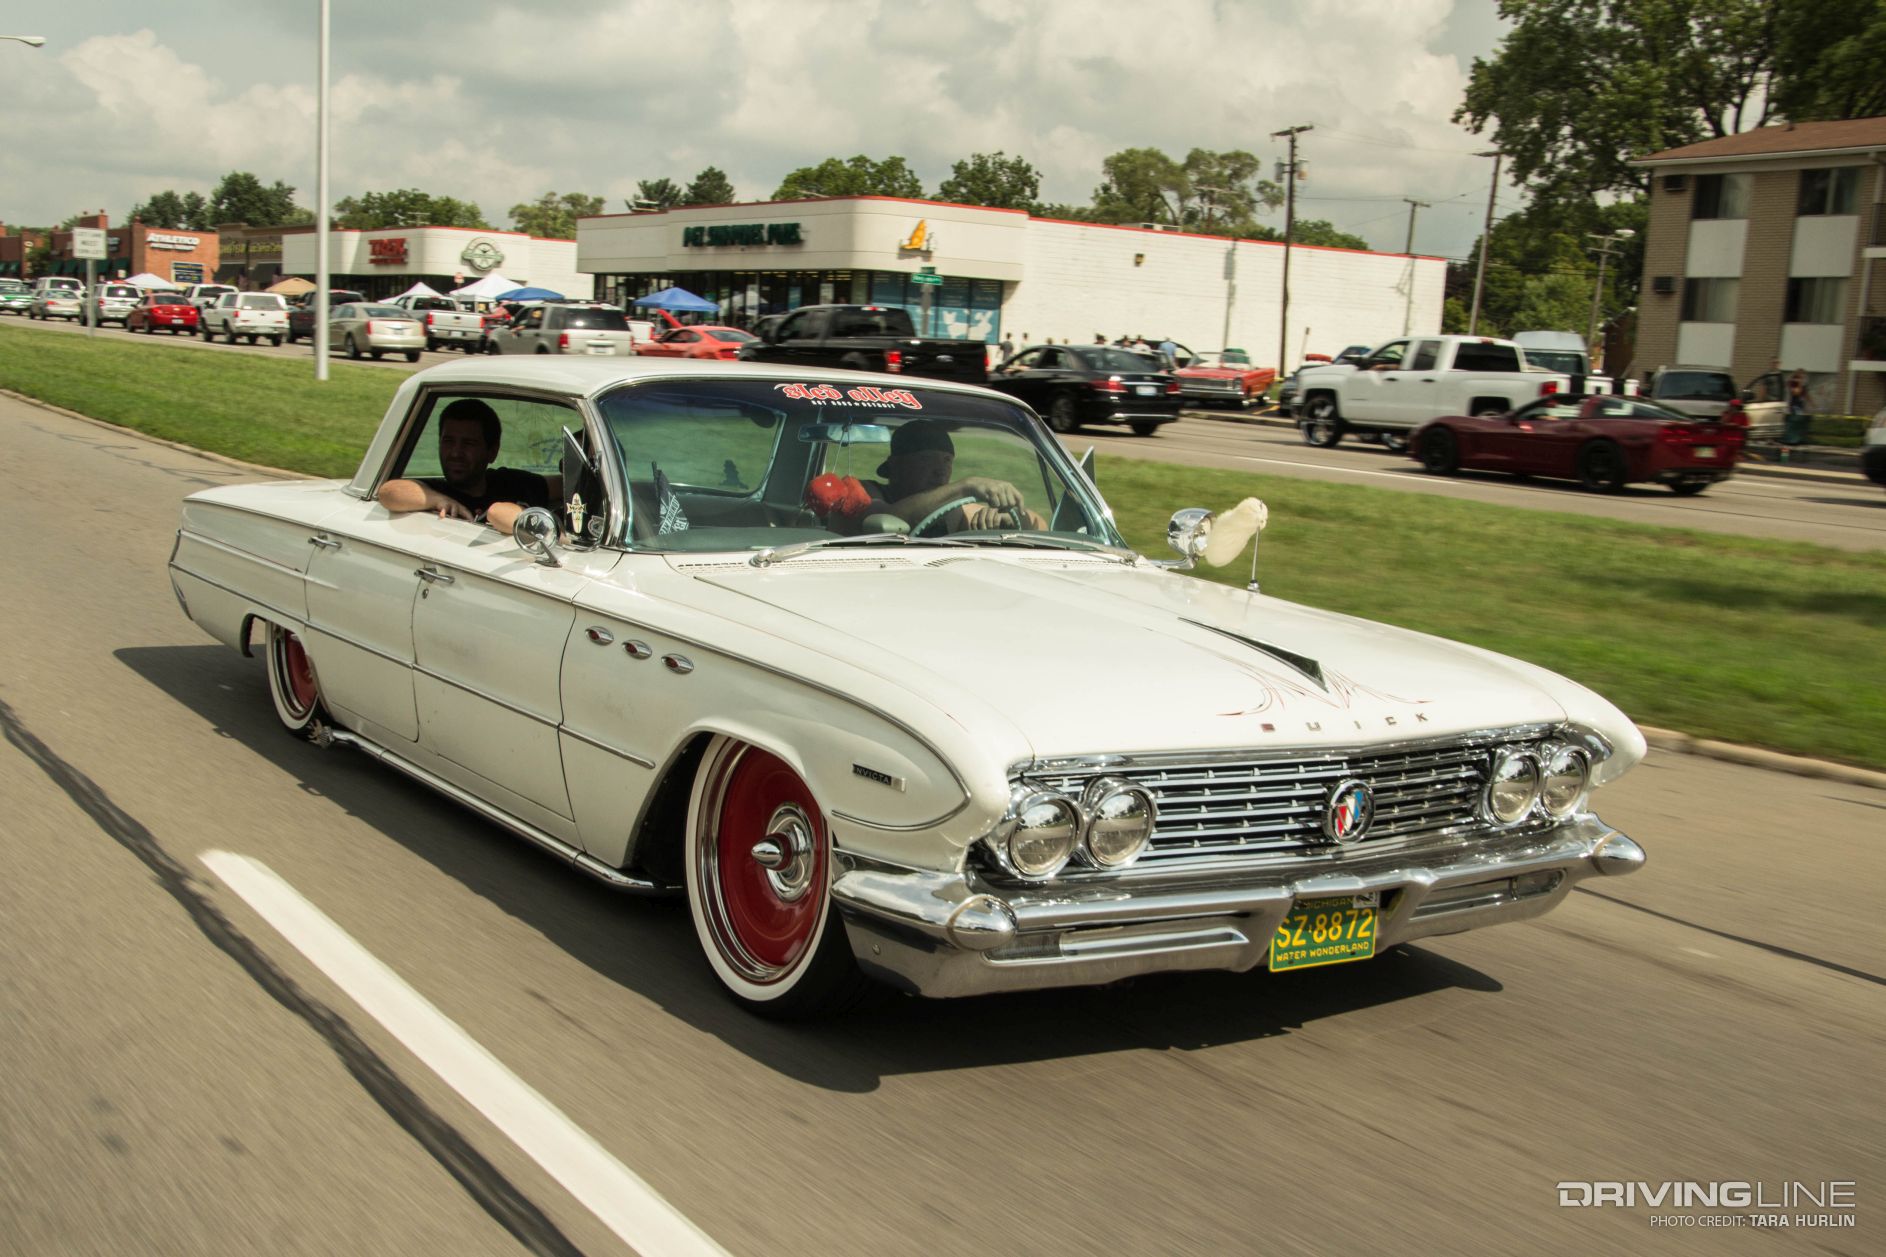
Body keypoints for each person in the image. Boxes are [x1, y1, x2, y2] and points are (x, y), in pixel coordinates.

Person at [376, 398, 555, 536]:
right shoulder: (433, 491)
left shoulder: (510, 481)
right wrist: (437, 500)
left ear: (492, 452)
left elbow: (564, 485)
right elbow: (388, 492)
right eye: (448, 441)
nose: (455, 453)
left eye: (468, 443)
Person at [848, 420, 1045, 534]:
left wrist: (1010, 518)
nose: (940, 470)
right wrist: (966, 486)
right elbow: (883, 520)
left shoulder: (952, 510)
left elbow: (1040, 525)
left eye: (947, 460)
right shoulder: (867, 492)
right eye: (926, 459)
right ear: (895, 465)